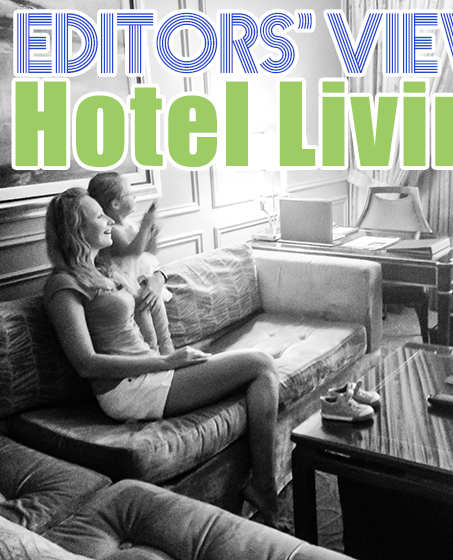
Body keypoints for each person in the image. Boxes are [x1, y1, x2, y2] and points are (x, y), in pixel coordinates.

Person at [43, 187, 280, 526]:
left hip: (152, 372)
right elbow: (86, 362)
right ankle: (264, 488)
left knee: (262, 372)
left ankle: (263, 486)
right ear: (76, 229)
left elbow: (146, 278)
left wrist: (157, 279)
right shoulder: (62, 285)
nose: (109, 220)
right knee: (260, 364)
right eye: (99, 215)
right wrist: (166, 362)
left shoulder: (102, 269)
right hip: (127, 388)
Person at [87, 172, 172, 355]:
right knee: (150, 338)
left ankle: (171, 357)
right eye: (129, 193)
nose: (134, 196)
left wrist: (153, 233)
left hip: (141, 283)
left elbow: (150, 250)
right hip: (126, 288)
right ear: (115, 204)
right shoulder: (112, 231)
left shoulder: (129, 224)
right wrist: (145, 226)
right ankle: (158, 359)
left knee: (164, 334)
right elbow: (133, 251)